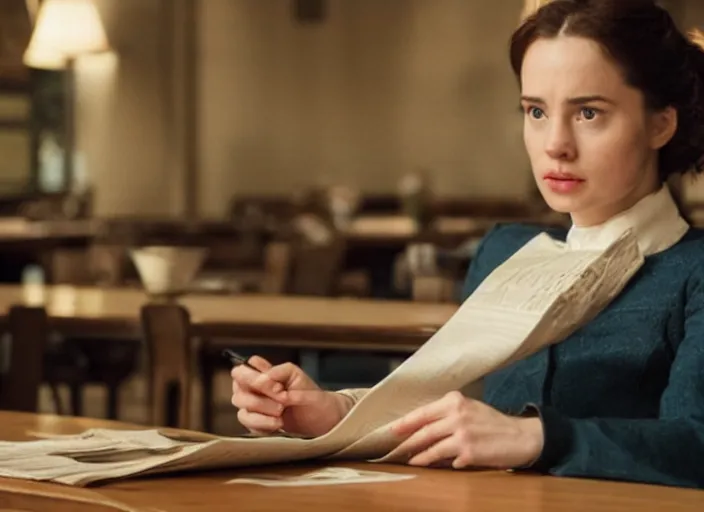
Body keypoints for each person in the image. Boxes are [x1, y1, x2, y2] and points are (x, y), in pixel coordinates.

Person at [230, 0, 704, 489]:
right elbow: (453, 419)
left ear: (660, 124)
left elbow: (696, 443)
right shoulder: (504, 251)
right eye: (536, 111)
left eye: (588, 112)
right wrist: (334, 413)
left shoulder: (694, 270)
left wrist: (535, 439)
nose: (555, 144)